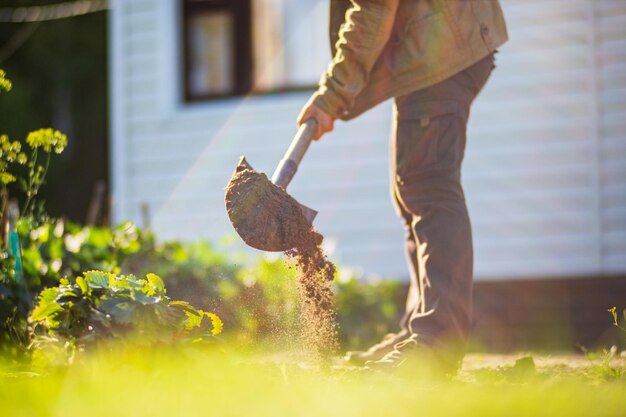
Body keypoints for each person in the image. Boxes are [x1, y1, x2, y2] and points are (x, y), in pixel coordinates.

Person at [298, 0, 508, 372]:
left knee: (429, 187)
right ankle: (420, 329)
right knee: (412, 189)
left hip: (442, 48)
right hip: (434, 45)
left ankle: (436, 343)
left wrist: (333, 94)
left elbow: (374, 8)